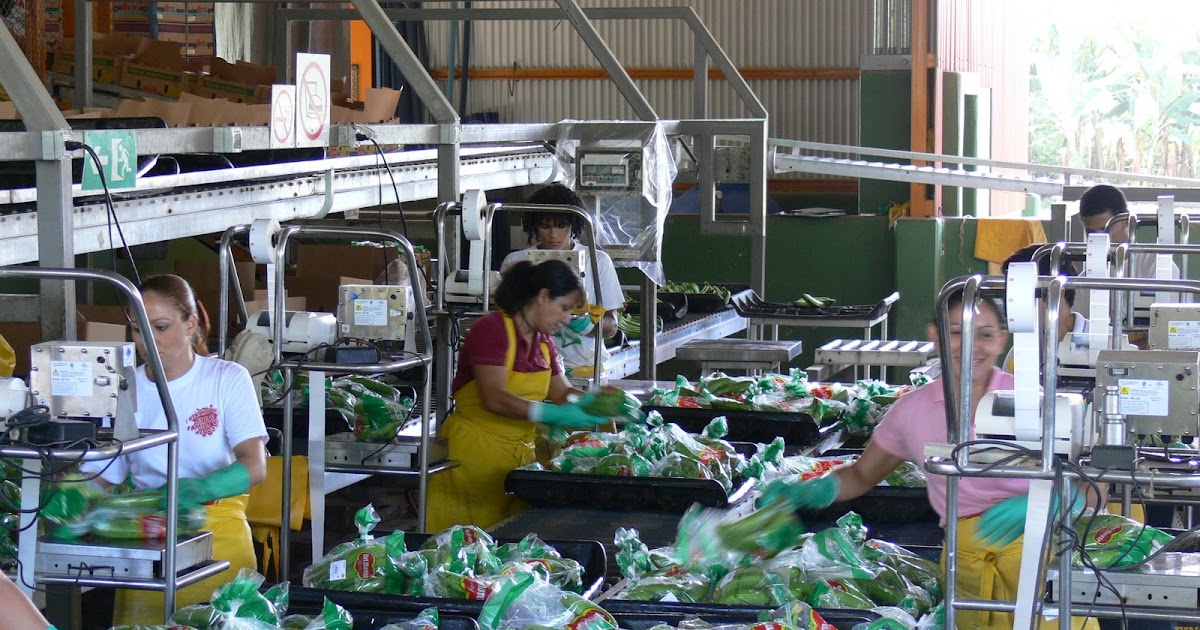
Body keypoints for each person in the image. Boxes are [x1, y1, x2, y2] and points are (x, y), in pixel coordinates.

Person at [762, 290, 1096, 630]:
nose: (971, 346)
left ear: (1001, 341)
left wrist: (1054, 501)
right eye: (956, 332)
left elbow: (1094, 486)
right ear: (935, 335)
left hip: (1042, 560)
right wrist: (808, 491)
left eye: (985, 334)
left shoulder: (1035, 403)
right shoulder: (912, 411)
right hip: (965, 567)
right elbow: (862, 475)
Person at [81, 274, 268, 625]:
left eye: (161, 327)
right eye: (138, 330)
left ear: (190, 323)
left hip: (219, 537)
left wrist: (199, 489)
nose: (149, 341)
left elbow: (255, 466)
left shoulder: (225, 378)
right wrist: (75, 494)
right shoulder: (125, 388)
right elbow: (108, 475)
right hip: (148, 537)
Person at [427, 260, 608, 531]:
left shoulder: (544, 341)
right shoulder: (493, 329)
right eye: (565, 308)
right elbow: (494, 397)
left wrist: (596, 403)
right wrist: (548, 413)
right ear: (543, 296)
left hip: (518, 463)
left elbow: (560, 392)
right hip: (473, 458)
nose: (567, 318)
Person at [500, 185, 624, 374]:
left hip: (583, 368)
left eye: (561, 225)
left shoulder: (597, 261)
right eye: (545, 226)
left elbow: (611, 327)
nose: (553, 234)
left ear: (573, 224)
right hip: (528, 368)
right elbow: (505, 321)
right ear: (533, 225)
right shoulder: (516, 262)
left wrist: (584, 323)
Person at [1000, 244, 1086, 373]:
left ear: (1056, 292)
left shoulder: (1108, 342)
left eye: (1020, 294)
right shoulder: (1020, 352)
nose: (1013, 303)